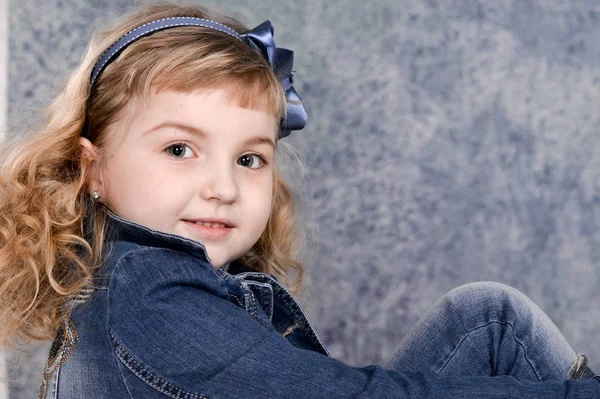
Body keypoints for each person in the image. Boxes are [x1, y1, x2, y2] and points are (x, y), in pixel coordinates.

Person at [0, 3, 598, 398]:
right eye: (180, 149)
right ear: (93, 167)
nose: (223, 186)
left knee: (488, 321)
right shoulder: (151, 296)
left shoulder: (132, 280)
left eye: (249, 158)